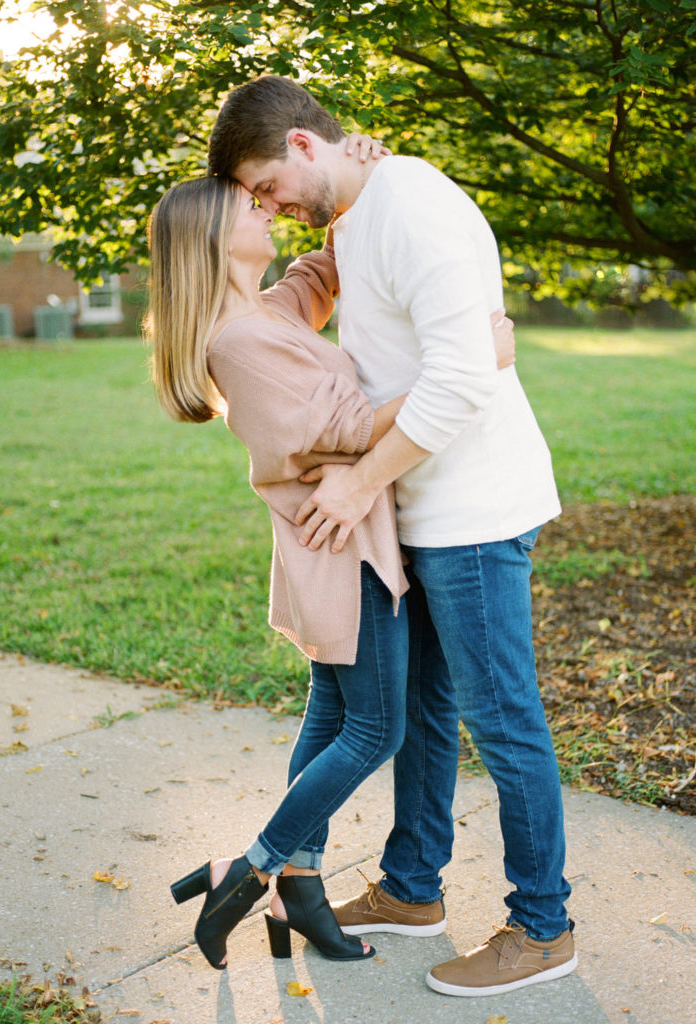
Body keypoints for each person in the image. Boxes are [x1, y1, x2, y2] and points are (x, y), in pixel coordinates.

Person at [208, 75, 576, 998]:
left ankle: (543, 927)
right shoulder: (358, 212)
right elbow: (352, 318)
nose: (267, 206)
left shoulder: (411, 205)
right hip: (415, 510)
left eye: (265, 185)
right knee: (423, 715)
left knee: (503, 721)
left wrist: (358, 480)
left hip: (472, 511)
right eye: (255, 201)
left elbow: (462, 379)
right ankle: (413, 889)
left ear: (301, 144)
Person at [145, 164, 516, 972]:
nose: (267, 211)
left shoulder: (265, 312)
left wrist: (357, 180)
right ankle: (251, 870)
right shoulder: (236, 342)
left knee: (328, 717)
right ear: (215, 238)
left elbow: (320, 271)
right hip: (341, 550)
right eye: (252, 206)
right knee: (374, 729)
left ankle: (299, 887)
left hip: (338, 543)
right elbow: (348, 427)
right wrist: (469, 361)